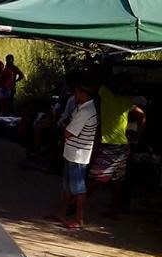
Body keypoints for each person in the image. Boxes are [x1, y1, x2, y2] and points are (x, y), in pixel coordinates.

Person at [88, 78, 144, 215]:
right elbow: (142, 115)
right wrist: (138, 135)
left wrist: (88, 56)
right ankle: (114, 208)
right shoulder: (127, 103)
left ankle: (79, 202)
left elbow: (94, 75)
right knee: (117, 179)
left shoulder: (106, 94)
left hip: (110, 145)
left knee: (97, 176)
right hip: (123, 145)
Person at [57, 78, 98, 230]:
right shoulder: (82, 108)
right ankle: (63, 213)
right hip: (72, 152)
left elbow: (68, 132)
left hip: (78, 154)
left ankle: (79, 219)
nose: (74, 94)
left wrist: (64, 126)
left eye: (76, 92)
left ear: (82, 93)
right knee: (68, 186)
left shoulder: (86, 112)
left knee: (78, 187)